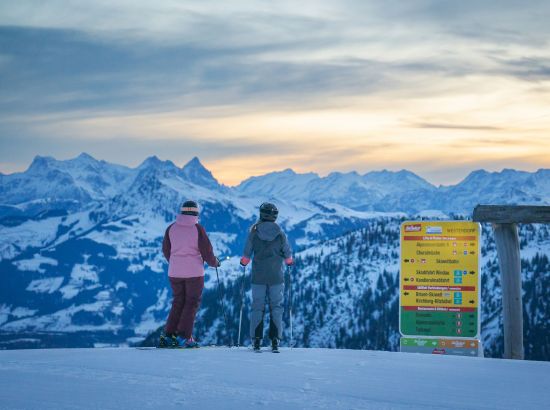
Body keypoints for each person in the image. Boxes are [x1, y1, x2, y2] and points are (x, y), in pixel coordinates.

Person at [159, 200, 219, 348]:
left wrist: (175, 263)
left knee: (178, 302)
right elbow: (207, 252)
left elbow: (166, 250)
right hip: (194, 273)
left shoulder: (171, 228)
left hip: (175, 272)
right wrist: (215, 263)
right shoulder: (197, 229)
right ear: (196, 213)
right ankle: (184, 337)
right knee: (191, 303)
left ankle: (168, 336)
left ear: (182, 211)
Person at [240, 202, 293, 352]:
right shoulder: (280, 233)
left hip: (258, 277)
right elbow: (288, 254)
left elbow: (246, 254)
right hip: (276, 277)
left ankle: (256, 340)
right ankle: (275, 340)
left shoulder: (254, 233)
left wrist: (244, 262)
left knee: (257, 307)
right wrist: (289, 262)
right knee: (276, 307)